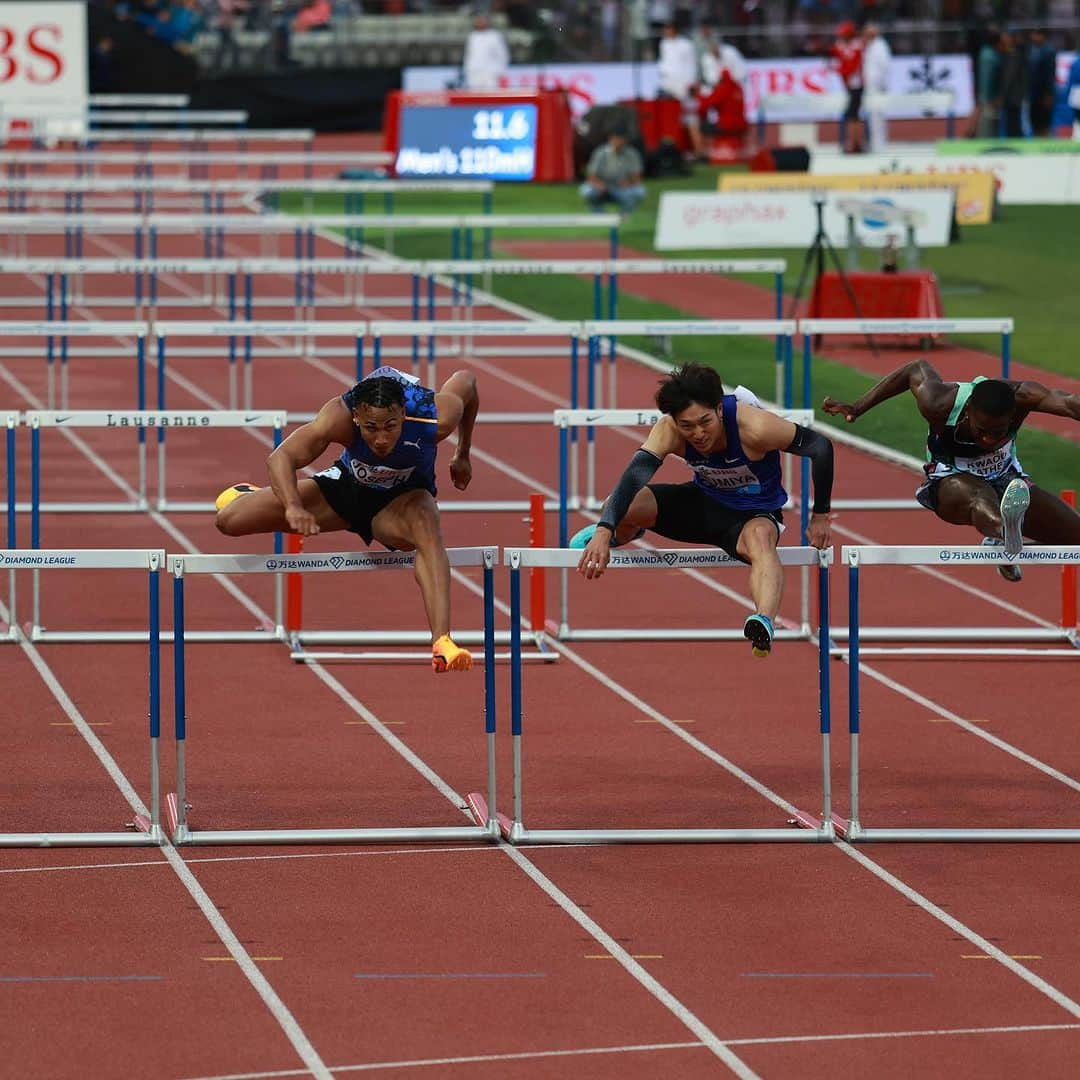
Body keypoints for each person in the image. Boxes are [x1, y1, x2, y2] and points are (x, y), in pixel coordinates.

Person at [214, 366, 480, 672]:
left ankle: (442, 640)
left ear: (403, 415)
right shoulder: (338, 415)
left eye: (390, 426)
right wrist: (292, 507)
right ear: (356, 418)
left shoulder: (436, 416)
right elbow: (281, 457)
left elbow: (467, 382)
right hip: (345, 490)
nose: (380, 439)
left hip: (400, 503)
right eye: (370, 428)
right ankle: (247, 494)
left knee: (426, 523)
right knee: (228, 521)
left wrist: (463, 452)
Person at [571, 364, 834, 658]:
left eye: (705, 422)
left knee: (761, 539)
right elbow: (634, 476)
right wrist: (604, 530)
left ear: (720, 408)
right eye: (687, 425)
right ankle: (626, 531)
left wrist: (821, 514)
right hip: (702, 504)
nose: (697, 433)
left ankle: (763, 620)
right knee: (615, 505)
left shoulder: (756, 427)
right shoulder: (669, 430)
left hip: (752, 517)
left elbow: (820, 447)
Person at [822, 360, 1080, 582]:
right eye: (982, 430)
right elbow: (914, 369)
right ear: (968, 411)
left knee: (1075, 535)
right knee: (978, 495)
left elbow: (1068, 404)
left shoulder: (1023, 396)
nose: (989, 439)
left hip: (1007, 481)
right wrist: (858, 407)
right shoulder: (939, 402)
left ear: (1012, 415)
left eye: (998, 432)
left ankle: (1002, 540)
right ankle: (1004, 530)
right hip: (950, 482)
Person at [657, 21, 704, 159]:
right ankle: (678, 151)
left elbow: (692, 65)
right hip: (669, 88)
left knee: (691, 120)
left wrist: (691, 85)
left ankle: (699, 151)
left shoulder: (686, 45)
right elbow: (665, 64)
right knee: (673, 121)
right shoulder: (664, 44)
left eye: (669, 29)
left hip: (685, 87)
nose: (666, 33)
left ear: (675, 30)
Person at [579, 126, 646, 217]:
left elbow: (637, 176)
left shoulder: (632, 154)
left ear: (625, 140)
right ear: (611, 139)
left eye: (621, 139)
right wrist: (599, 185)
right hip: (603, 186)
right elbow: (591, 175)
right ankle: (600, 216)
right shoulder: (601, 152)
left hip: (622, 189)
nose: (619, 142)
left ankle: (623, 216)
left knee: (639, 191)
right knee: (586, 190)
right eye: (616, 139)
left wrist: (629, 182)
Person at [830, 20, 864, 153]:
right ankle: (854, 143)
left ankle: (854, 143)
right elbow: (835, 53)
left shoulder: (856, 47)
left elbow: (852, 66)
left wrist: (838, 70)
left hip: (856, 86)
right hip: (849, 85)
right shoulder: (844, 46)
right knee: (852, 115)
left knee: (853, 116)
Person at [861, 22, 891, 152]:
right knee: (872, 116)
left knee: (878, 115)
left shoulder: (880, 46)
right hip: (870, 85)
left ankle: (880, 143)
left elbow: (885, 66)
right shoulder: (869, 46)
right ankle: (875, 142)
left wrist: (882, 84)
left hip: (878, 86)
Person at [462, 13, 509, 91]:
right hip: (474, 73)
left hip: (490, 74)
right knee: (474, 98)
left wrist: (500, 71)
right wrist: (467, 70)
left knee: (491, 97)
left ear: (487, 22)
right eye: (478, 21)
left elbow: (503, 55)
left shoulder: (495, 36)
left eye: (482, 21)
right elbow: (468, 55)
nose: (480, 23)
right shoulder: (472, 36)